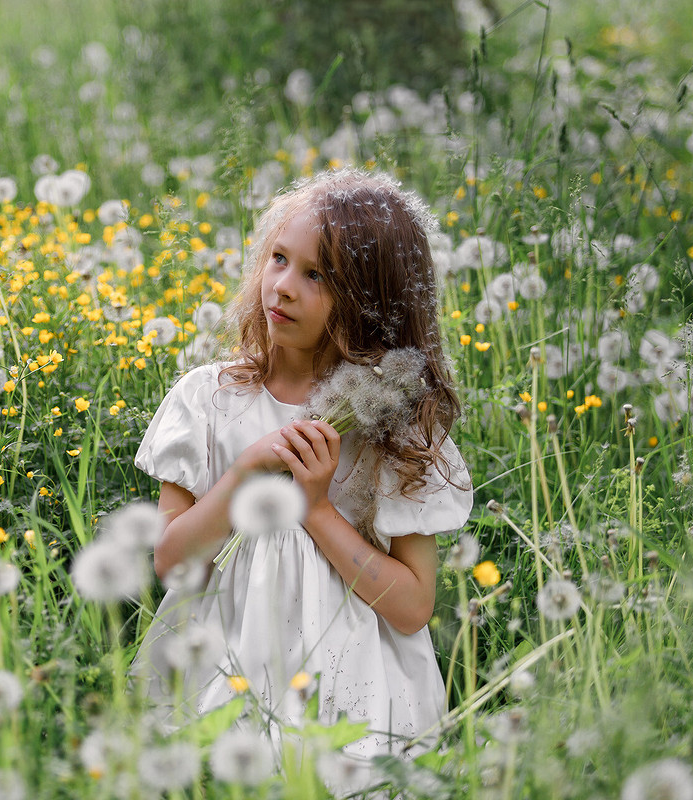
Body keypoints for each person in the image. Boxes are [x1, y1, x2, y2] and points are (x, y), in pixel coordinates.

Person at [133, 169, 473, 761]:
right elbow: (168, 559)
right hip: (222, 657)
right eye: (278, 259)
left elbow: (413, 607)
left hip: (352, 684)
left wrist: (315, 508)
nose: (282, 286)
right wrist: (243, 477)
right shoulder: (208, 399)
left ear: (374, 303)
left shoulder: (393, 428)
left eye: (316, 275)